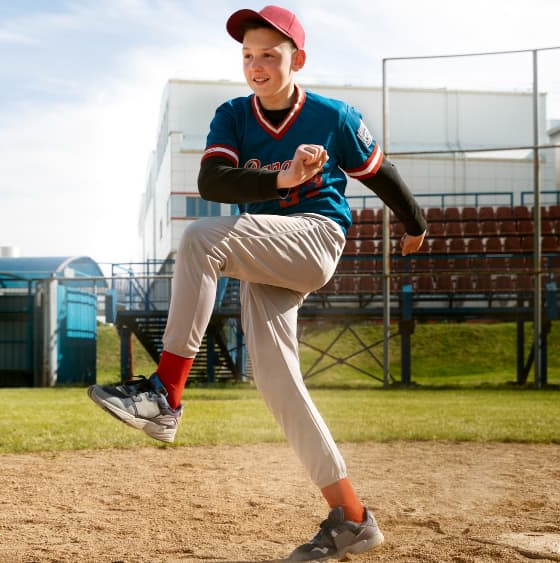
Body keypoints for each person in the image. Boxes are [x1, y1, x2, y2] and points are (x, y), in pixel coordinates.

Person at [88, 4, 428, 561]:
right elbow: (212, 179)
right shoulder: (233, 115)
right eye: (248, 55)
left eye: (270, 53)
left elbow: (380, 172)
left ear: (298, 59)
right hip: (264, 247)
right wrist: (282, 175)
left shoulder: (333, 115)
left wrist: (415, 224)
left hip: (315, 238)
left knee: (201, 238)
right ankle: (352, 517)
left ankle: (166, 395)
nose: (257, 64)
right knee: (275, 379)